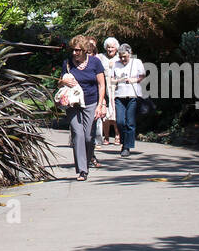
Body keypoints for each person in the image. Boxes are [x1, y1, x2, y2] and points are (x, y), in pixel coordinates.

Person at [60, 34, 106, 180]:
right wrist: (64, 82)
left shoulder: (95, 62)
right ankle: (82, 170)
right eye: (73, 50)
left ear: (85, 50)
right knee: (77, 134)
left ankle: (85, 162)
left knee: (88, 137)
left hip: (91, 102)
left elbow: (101, 84)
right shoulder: (67, 63)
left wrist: (101, 104)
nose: (74, 53)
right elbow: (60, 82)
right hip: (74, 103)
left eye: (78, 50)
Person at [111, 43, 147, 156]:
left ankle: (127, 146)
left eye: (124, 56)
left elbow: (142, 75)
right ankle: (123, 141)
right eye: (120, 56)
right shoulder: (116, 64)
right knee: (120, 121)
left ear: (130, 54)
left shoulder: (137, 62)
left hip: (132, 95)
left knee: (130, 122)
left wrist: (134, 80)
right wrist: (118, 80)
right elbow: (112, 79)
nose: (122, 59)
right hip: (119, 95)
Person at [97, 36, 121, 148]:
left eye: (112, 47)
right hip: (104, 88)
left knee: (116, 113)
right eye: (108, 47)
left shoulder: (120, 58)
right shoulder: (101, 57)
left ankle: (117, 135)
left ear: (116, 48)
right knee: (105, 113)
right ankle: (106, 136)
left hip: (116, 89)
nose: (110, 49)